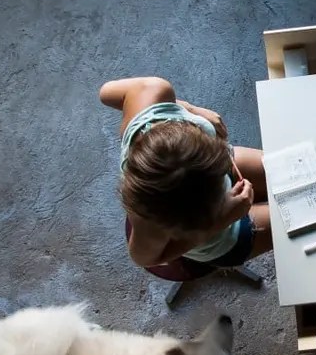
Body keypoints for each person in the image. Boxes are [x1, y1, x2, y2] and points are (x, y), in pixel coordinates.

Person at [99, 76, 272, 269]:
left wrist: (190, 109)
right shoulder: (148, 218)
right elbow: (145, 259)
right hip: (222, 237)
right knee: (303, 214)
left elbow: (106, 92)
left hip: (205, 176)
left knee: (295, 168)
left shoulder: (154, 92)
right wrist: (220, 221)